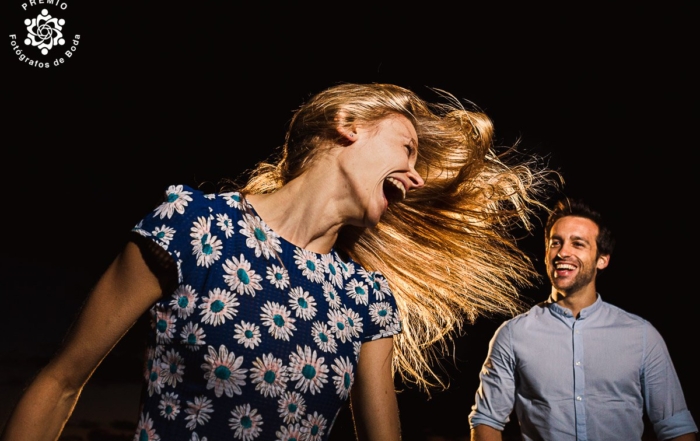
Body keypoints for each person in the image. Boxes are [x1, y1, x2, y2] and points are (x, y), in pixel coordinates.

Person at [1, 83, 554, 441]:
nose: (414, 177)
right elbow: (61, 381)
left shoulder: (366, 299)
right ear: (347, 124)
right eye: (408, 149)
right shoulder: (193, 227)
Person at [468, 198, 698, 441]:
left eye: (578, 244)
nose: (563, 252)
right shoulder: (513, 334)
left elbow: (675, 426)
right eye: (556, 243)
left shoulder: (641, 335)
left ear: (602, 259)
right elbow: (487, 420)